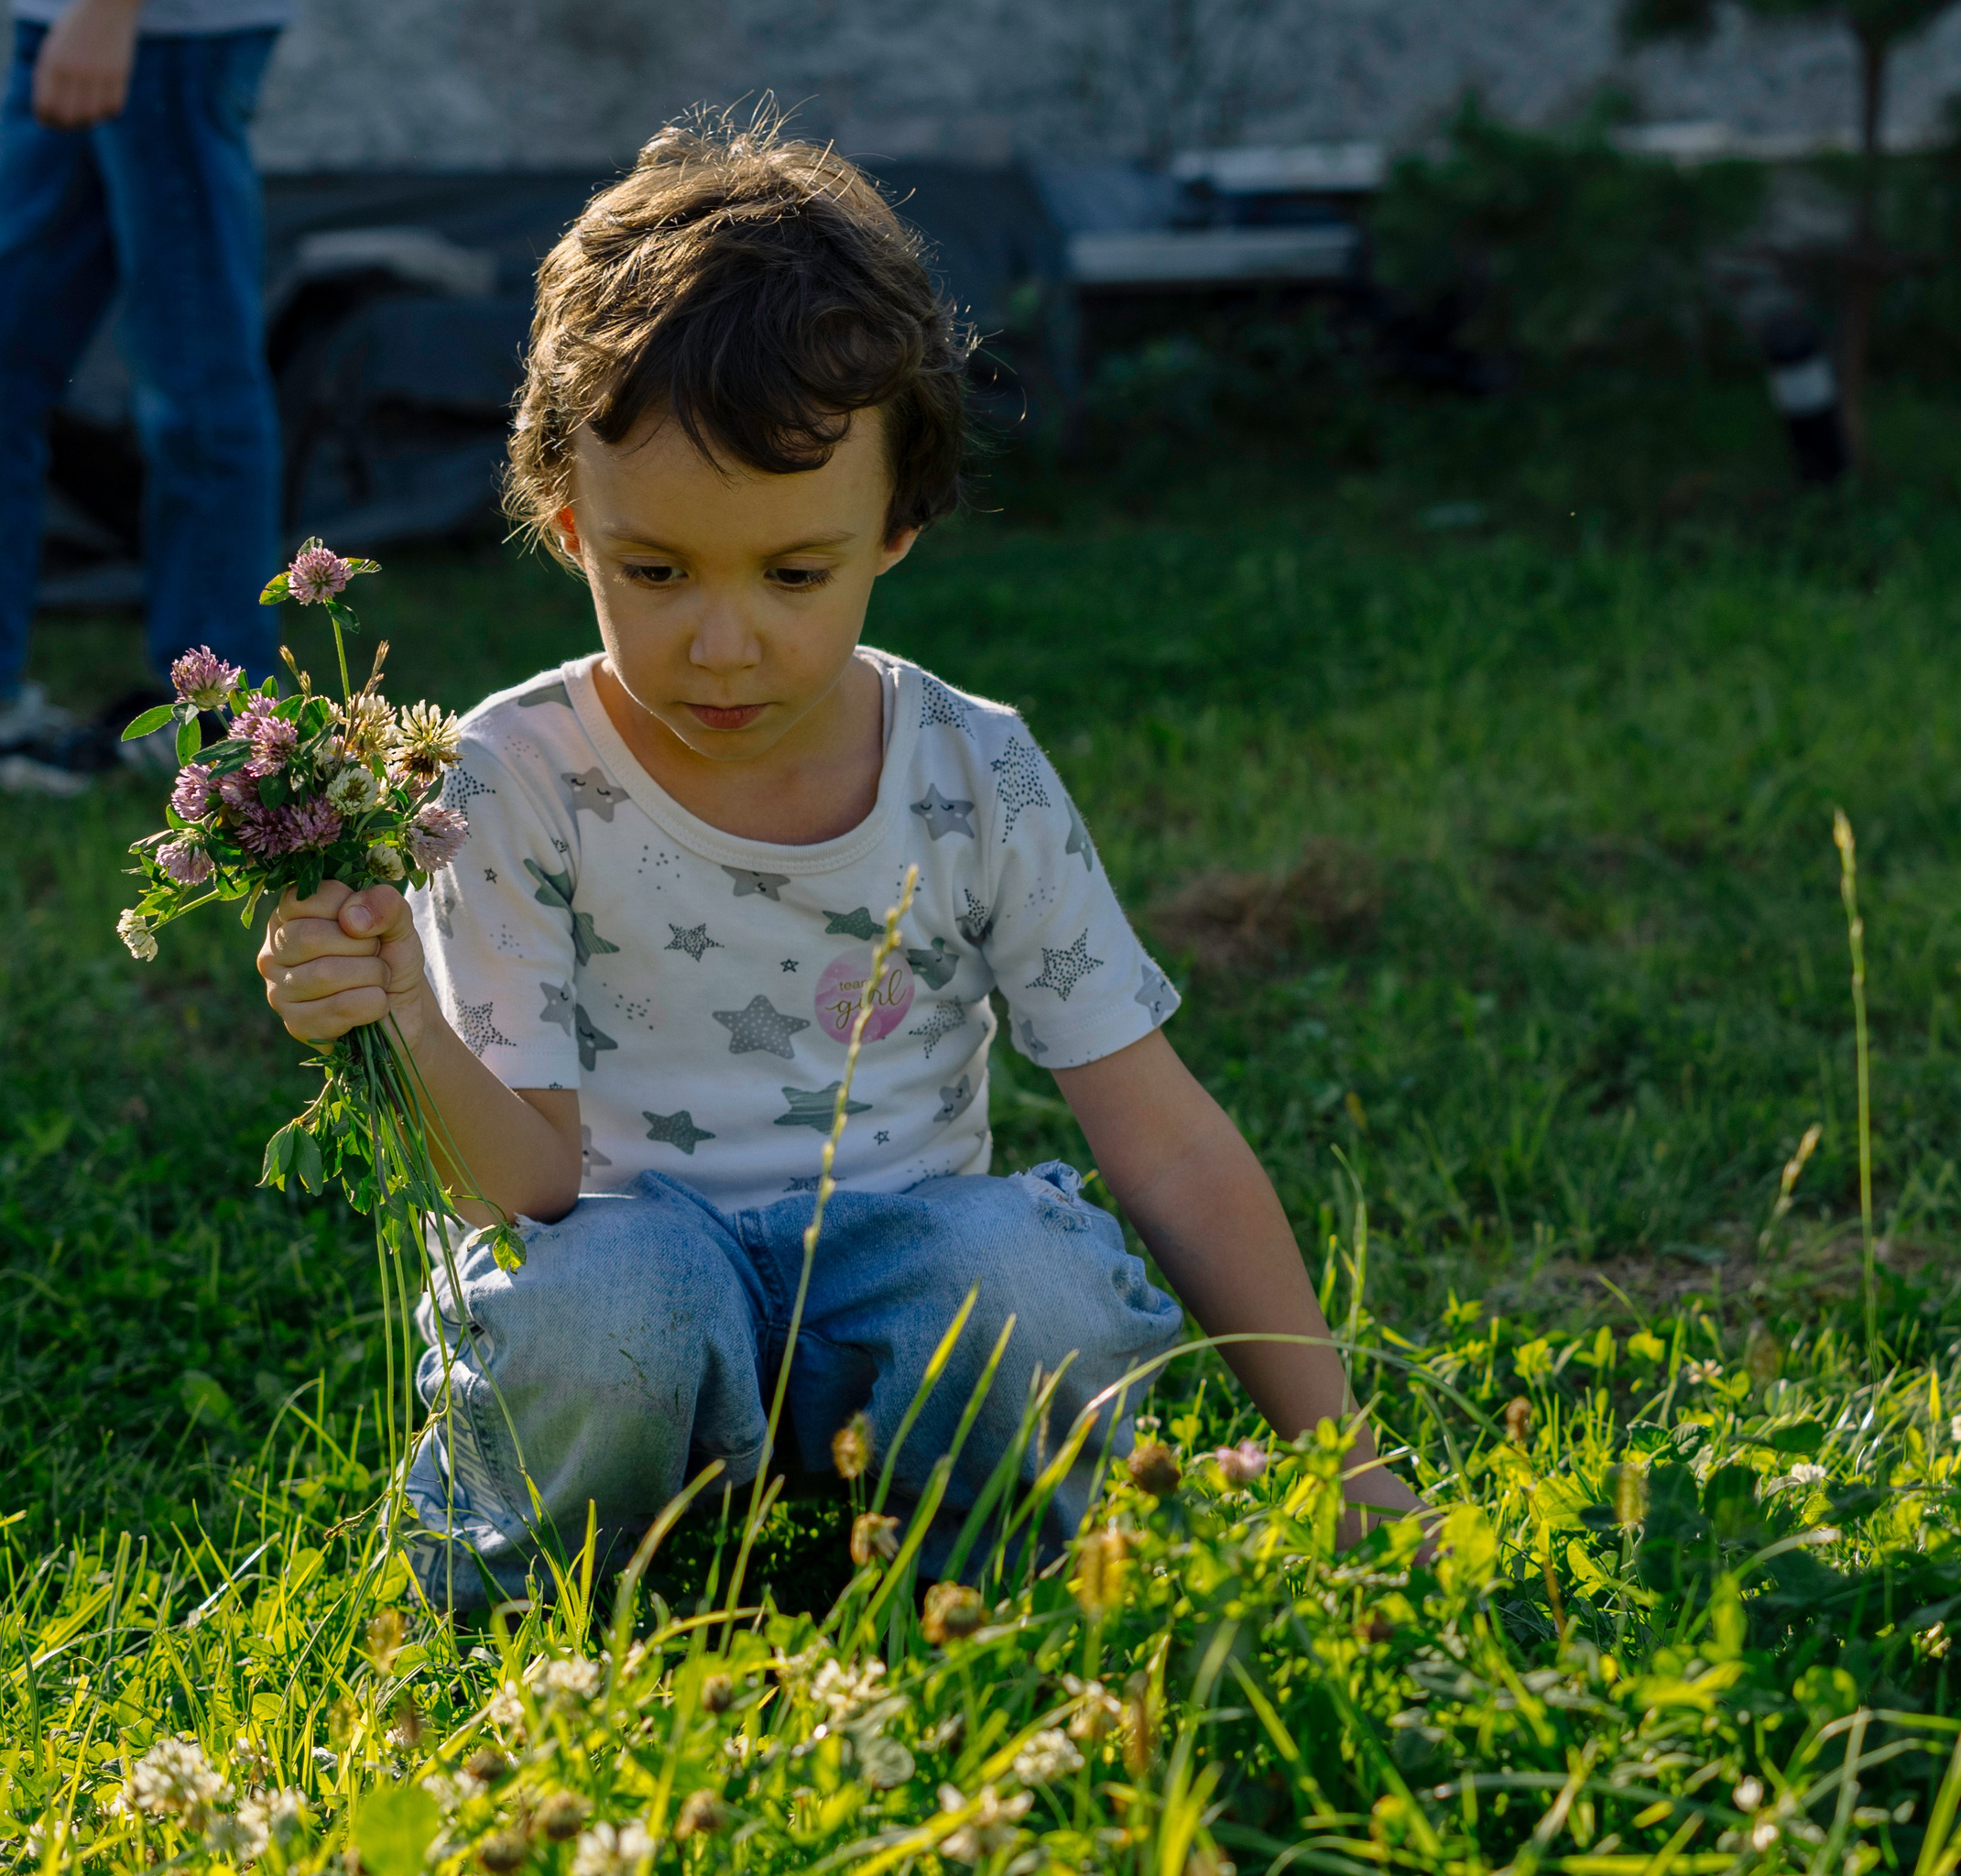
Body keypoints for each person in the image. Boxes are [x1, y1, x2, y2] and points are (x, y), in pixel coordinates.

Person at [252, 120, 1428, 1607]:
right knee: (604, 1301)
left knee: (1027, 1275)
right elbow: (527, 1188)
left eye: (794, 572)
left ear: (898, 529)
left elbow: (1167, 1139)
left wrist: (1342, 1452)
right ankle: (547, 1607)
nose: (722, 639)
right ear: (570, 526)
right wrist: (405, 1014)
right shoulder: (509, 775)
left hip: (897, 1291)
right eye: (655, 571)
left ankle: (983, 1591)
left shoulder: (971, 769)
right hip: (633, 1275)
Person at [0, 0, 287, 775]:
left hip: (162, 36)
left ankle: (215, 718)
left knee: (196, 387)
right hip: (65, 25)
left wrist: (107, 9)